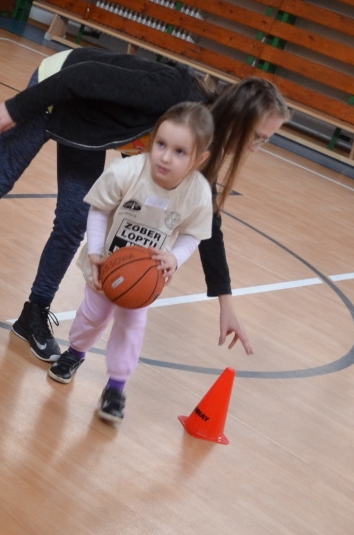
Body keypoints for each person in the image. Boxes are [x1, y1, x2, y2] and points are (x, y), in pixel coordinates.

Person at [0, 47, 290, 360]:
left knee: (73, 221)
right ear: (239, 120)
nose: (258, 147)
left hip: (87, 124)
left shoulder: (201, 144)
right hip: (57, 87)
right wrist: (19, 106)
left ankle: (33, 313)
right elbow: (83, 77)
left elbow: (206, 223)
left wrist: (226, 304)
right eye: (260, 137)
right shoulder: (174, 93)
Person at [48, 102, 214, 422]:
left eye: (180, 152)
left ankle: (115, 387)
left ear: (199, 160)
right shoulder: (127, 171)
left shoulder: (198, 194)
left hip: (146, 276)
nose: (165, 156)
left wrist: (174, 258)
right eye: (161, 144)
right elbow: (98, 209)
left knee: (131, 326)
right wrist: (96, 252)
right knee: (92, 315)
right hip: (105, 263)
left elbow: (193, 235)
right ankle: (74, 353)